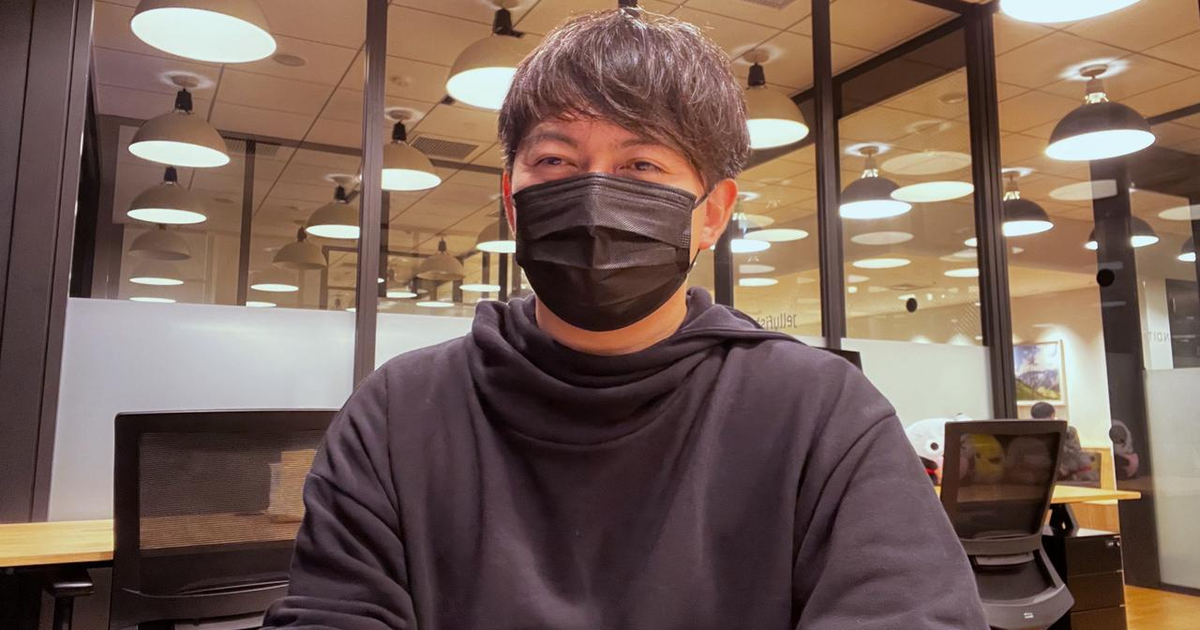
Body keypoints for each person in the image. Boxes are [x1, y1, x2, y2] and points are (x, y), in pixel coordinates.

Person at [263, 7, 986, 629]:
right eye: (554, 161)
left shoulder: (821, 413)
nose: (592, 197)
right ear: (512, 203)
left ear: (713, 214)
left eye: (642, 166)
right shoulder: (398, 413)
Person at [1030, 402, 1096, 483]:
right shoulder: (1068, 431)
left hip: (1038, 476)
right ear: (1053, 415)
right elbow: (1075, 453)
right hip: (1064, 475)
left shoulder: (1028, 432)